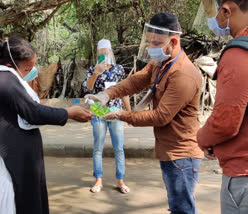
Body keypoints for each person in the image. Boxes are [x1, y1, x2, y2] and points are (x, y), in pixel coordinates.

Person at [0, 37, 93, 214]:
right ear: (12, 63)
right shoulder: (2, 78)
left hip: (16, 160)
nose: (30, 72)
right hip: (3, 165)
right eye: (27, 68)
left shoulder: (2, 77)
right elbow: (33, 112)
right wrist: (69, 113)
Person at [85, 13, 203, 213]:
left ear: (173, 42)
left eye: (155, 43)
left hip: (182, 155)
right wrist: (106, 94)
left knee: (182, 208)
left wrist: (121, 114)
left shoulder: (183, 74)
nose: (150, 48)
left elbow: (160, 116)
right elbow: (136, 81)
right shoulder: (161, 63)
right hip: (169, 151)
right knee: (176, 205)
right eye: (148, 42)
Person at [197, 0, 248, 213]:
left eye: (214, 14)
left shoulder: (238, 54)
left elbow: (225, 123)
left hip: (242, 176)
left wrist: (203, 138)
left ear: (227, 10)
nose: (214, 21)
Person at [82, 39, 131, 194]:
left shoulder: (119, 69)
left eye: (106, 52)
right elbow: (87, 87)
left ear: (111, 52)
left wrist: (128, 113)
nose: (104, 55)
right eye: (101, 53)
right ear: (98, 54)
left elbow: (125, 92)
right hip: (99, 113)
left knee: (119, 148)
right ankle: (98, 181)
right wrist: (97, 72)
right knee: (98, 148)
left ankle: (120, 181)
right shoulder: (93, 69)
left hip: (116, 113)